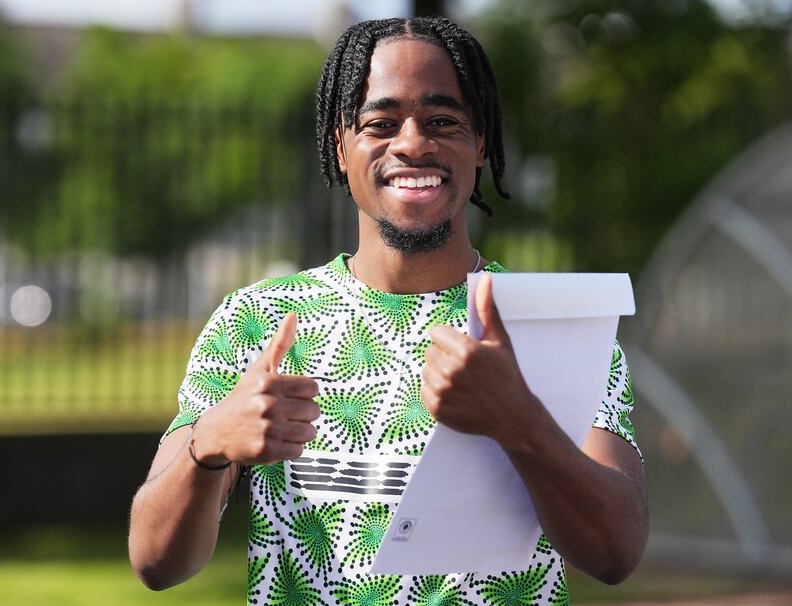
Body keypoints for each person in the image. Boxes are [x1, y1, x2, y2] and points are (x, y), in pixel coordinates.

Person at [128, 16, 647, 605]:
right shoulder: (259, 320)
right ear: (339, 145)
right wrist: (210, 443)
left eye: (442, 120)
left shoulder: (552, 321)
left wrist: (519, 423)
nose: (412, 143)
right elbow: (155, 562)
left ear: (481, 144)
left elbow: (616, 553)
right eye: (380, 122)